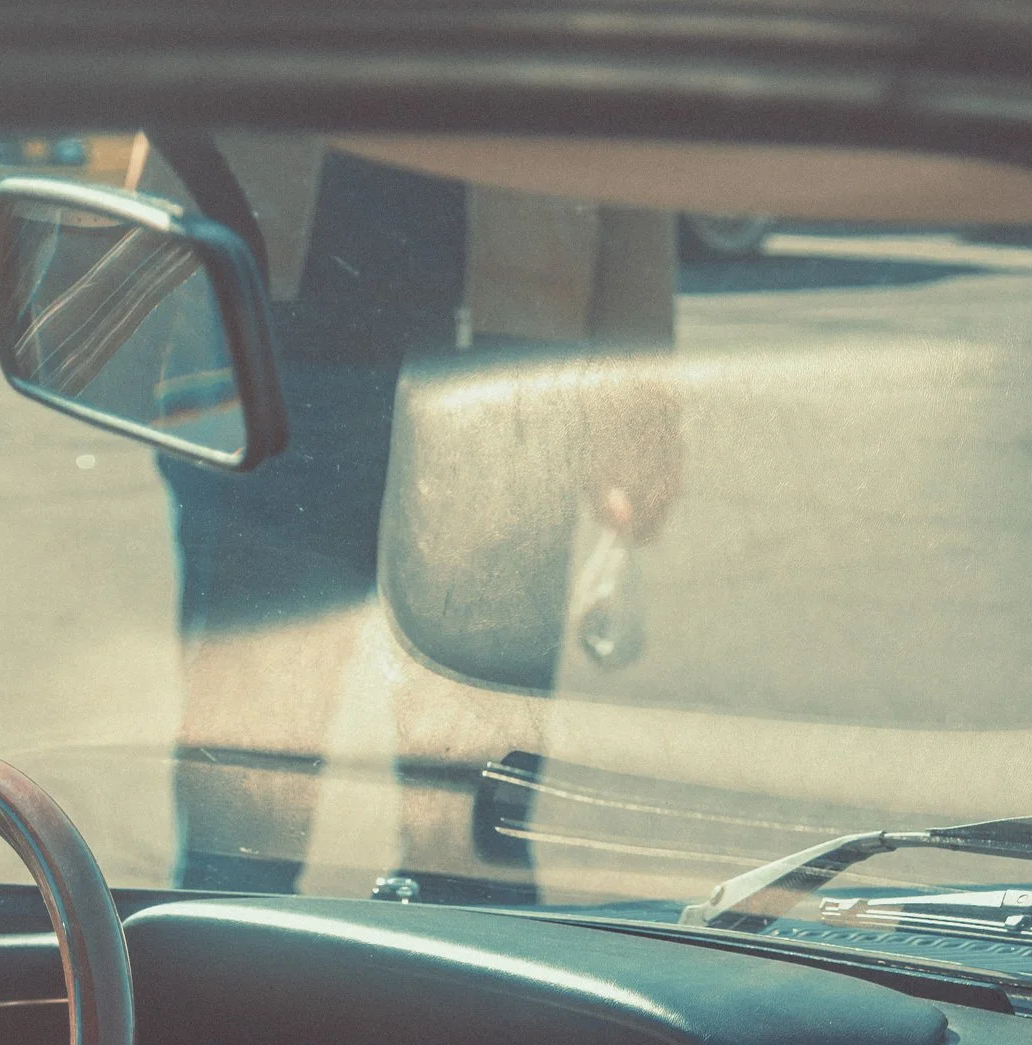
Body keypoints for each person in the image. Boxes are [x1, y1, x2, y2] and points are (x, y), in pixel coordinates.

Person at [155, 142, 680, 889]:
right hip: (281, 351)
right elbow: (175, 124)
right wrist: (154, 364)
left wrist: (637, 423)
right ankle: (223, 958)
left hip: (507, 368)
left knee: (473, 816)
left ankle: (462, 944)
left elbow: (631, 145)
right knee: (244, 800)